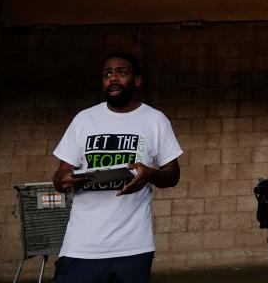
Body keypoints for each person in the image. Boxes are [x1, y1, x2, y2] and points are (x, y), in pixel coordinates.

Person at [52, 52, 183, 283]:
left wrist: (149, 173)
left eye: (121, 72)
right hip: (81, 246)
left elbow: (173, 175)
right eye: (107, 74)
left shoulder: (155, 120)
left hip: (133, 247)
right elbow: (60, 176)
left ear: (137, 80)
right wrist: (65, 180)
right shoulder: (84, 119)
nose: (113, 78)